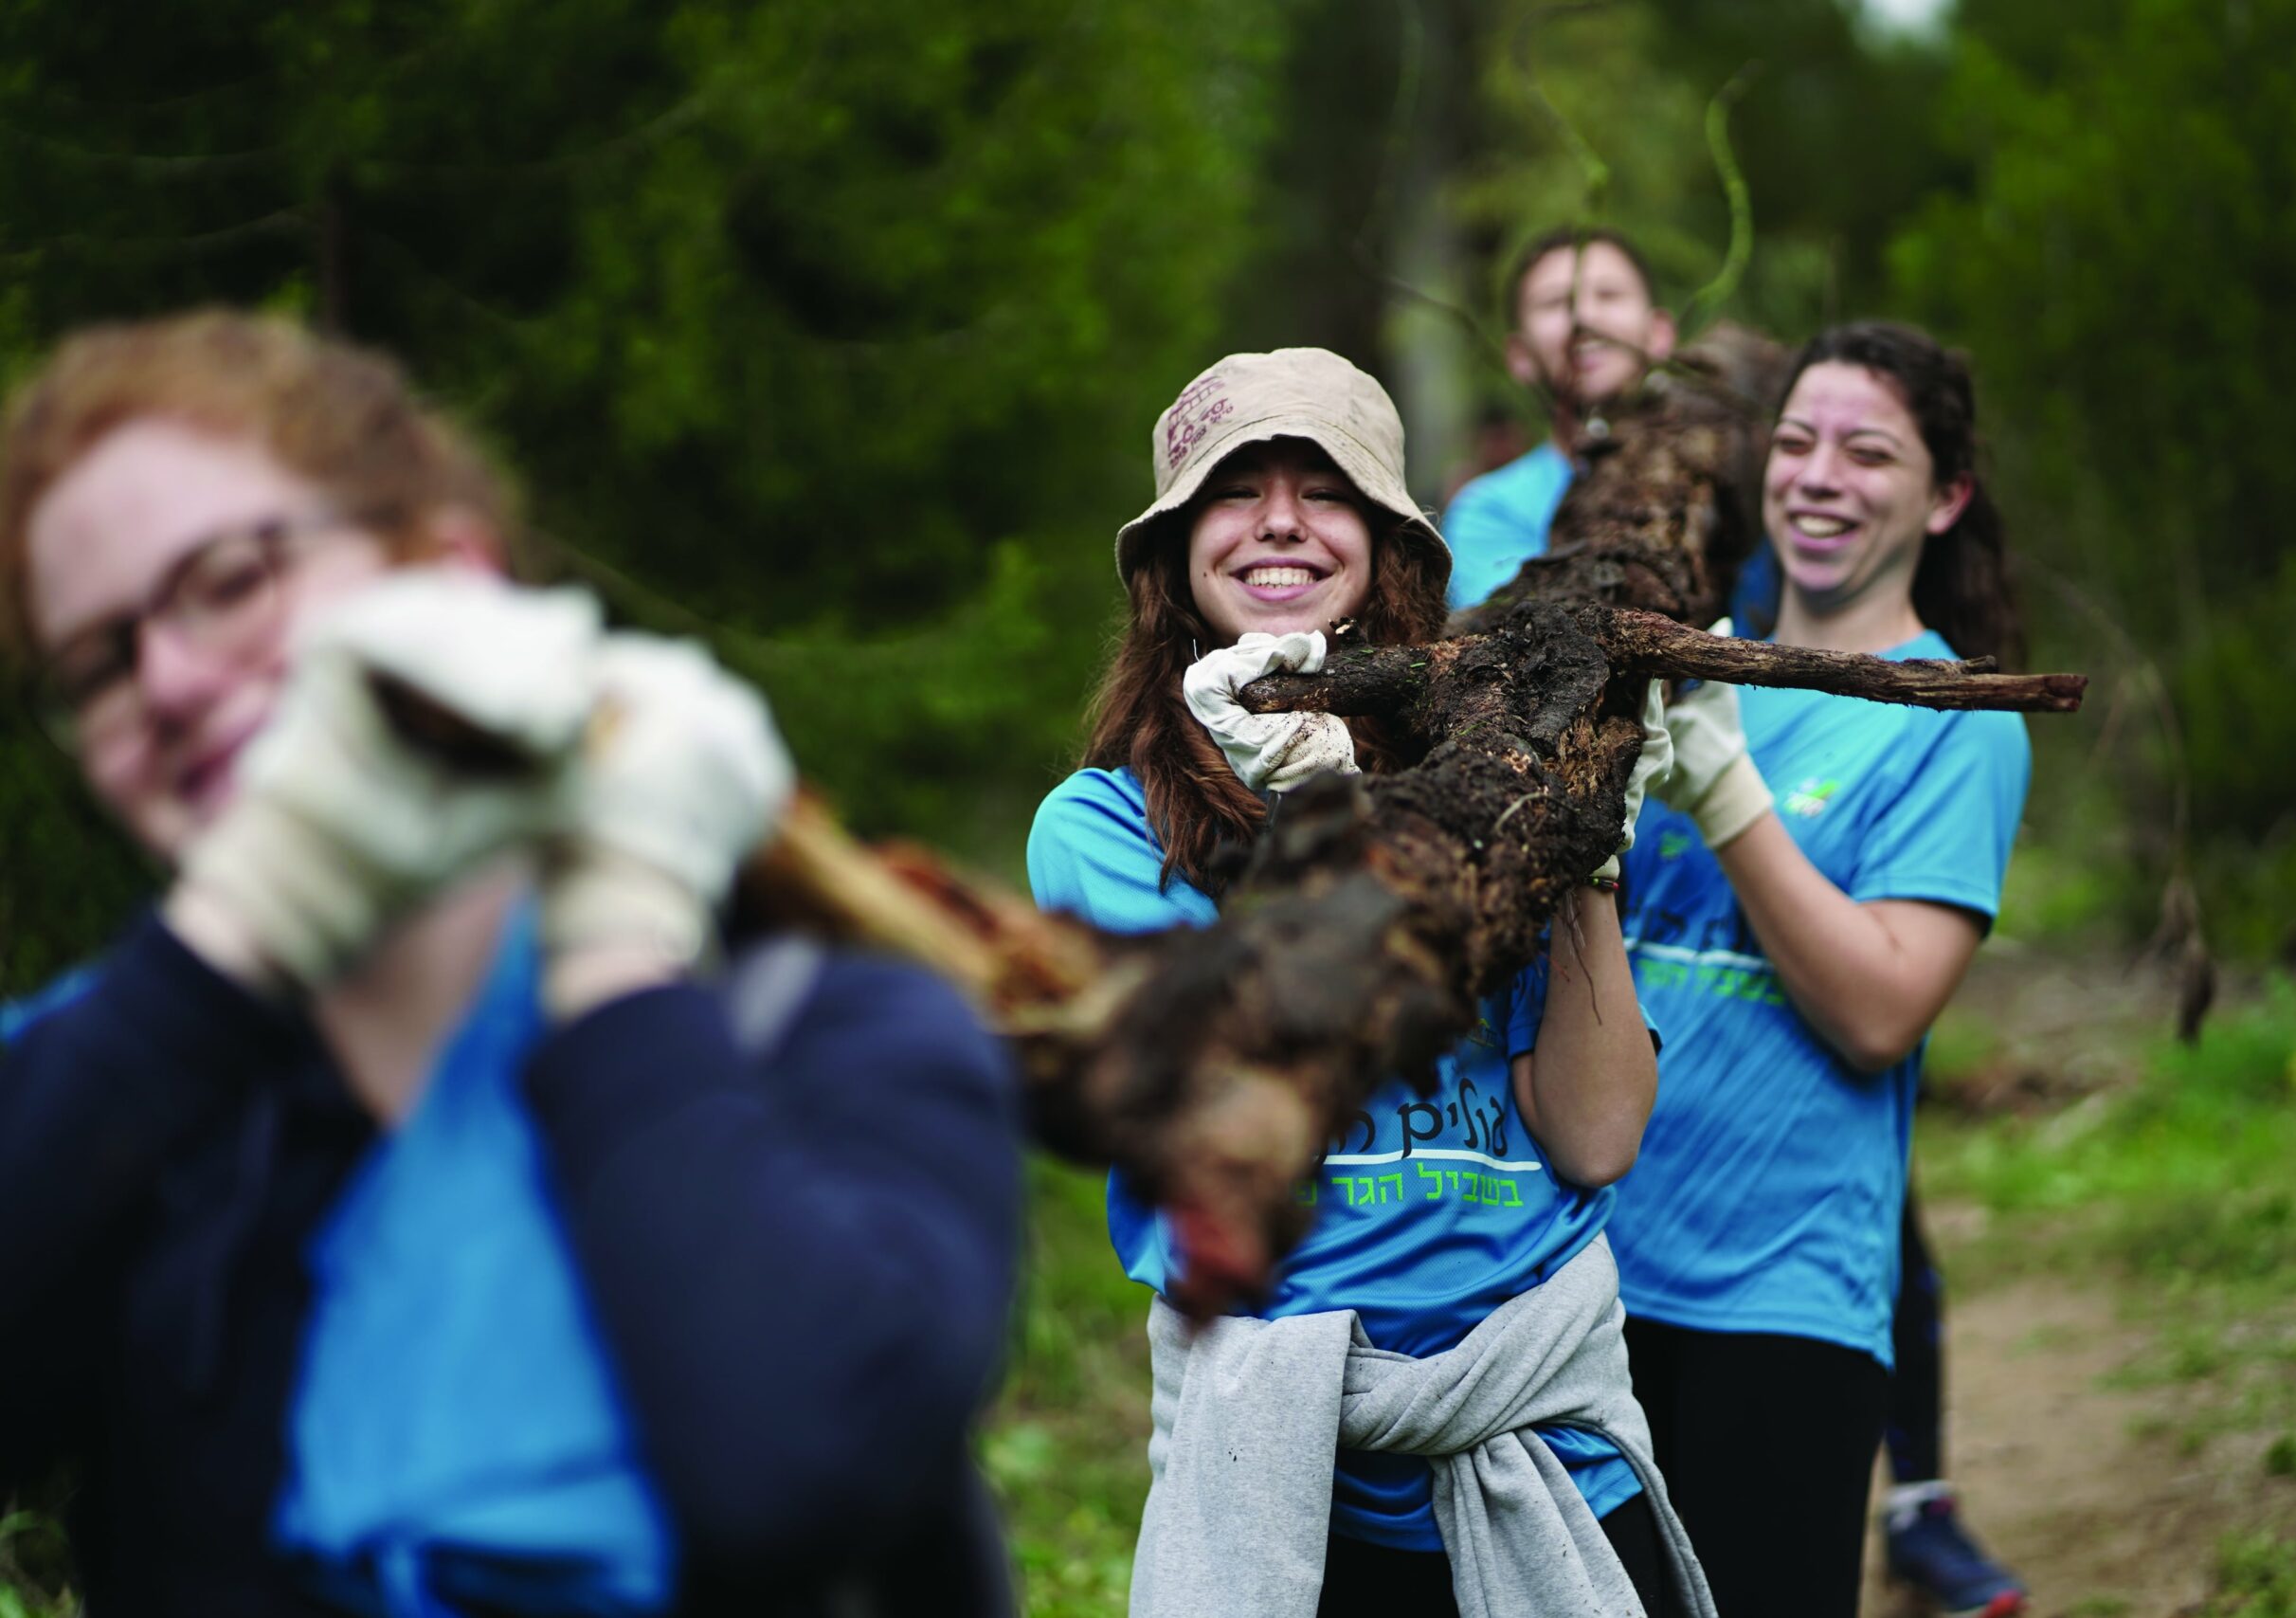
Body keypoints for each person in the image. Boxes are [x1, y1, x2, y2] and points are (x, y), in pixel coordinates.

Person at [0, 311, 1022, 1615]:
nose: (170, 680)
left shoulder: (828, 1029)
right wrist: (246, 922)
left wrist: (615, 941)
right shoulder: (124, 1117)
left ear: (454, 578)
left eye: (229, 578)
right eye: (95, 664)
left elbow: (797, 1465)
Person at [1026, 347, 1712, 1618]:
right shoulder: (1102, 828)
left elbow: (1598, 1131)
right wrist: (1326, 815)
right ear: (1173, 552)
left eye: (1323, 487)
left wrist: (1586, 845)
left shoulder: (1493, 770)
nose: (1280, 520)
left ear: (1387, 542)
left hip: (1545, 1440)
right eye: (1236, 488)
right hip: (1295, 1492)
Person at [1587, 319, 2032, 1618]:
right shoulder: (1677, 661)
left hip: (1780, 1300)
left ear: (1944, 496)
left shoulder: (1957, 716)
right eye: (1794, 441)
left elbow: (1882, 1008)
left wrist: (1727, 794)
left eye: (1867, 451)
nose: (1818, 474)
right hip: (1578, 1278)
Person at [1441, 227, 1676, 612]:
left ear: (1659, 334)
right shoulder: (1488, 512)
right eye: (1555, 303)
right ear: (1519, 355)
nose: (1584, 317)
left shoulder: (1736, 475)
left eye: (1609, 294)